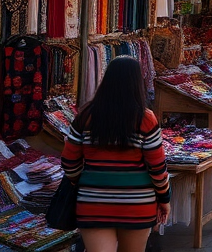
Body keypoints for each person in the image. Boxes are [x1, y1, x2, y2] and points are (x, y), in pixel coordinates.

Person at [60, 56, 171, 252]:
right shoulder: (145, 119)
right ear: (137, 82)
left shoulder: (85, 116)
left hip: (93, 203)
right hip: (137, 204)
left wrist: (84, 181)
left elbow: (69, 162)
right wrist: (164, 198)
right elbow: (157, 168)